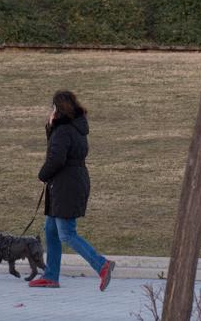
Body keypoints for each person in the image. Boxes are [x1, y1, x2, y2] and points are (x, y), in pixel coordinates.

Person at [28, 90, 116, 290]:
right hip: (70, 183)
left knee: (66, 234)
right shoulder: (74, 127)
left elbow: (56, 158)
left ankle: (102, 265)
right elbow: (58, 149)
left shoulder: (64, 130)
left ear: (57, 109)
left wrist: (42, 175)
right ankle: (51, 276)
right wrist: (51, 127)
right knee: (50, 230)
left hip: (66, 187)